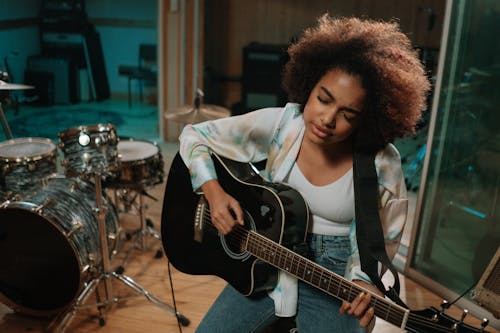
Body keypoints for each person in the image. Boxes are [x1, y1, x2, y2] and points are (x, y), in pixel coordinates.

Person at [177, 14, 430, 333]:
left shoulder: (381, 163)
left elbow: (382, 242)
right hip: (262, 266)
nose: (327, 119)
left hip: (334, 284)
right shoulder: (283, 124)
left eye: (348, 114)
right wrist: (214, 193)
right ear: (309, 86)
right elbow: (193, 136)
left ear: (367, 119)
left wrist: (368, 284)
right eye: (324, 99)